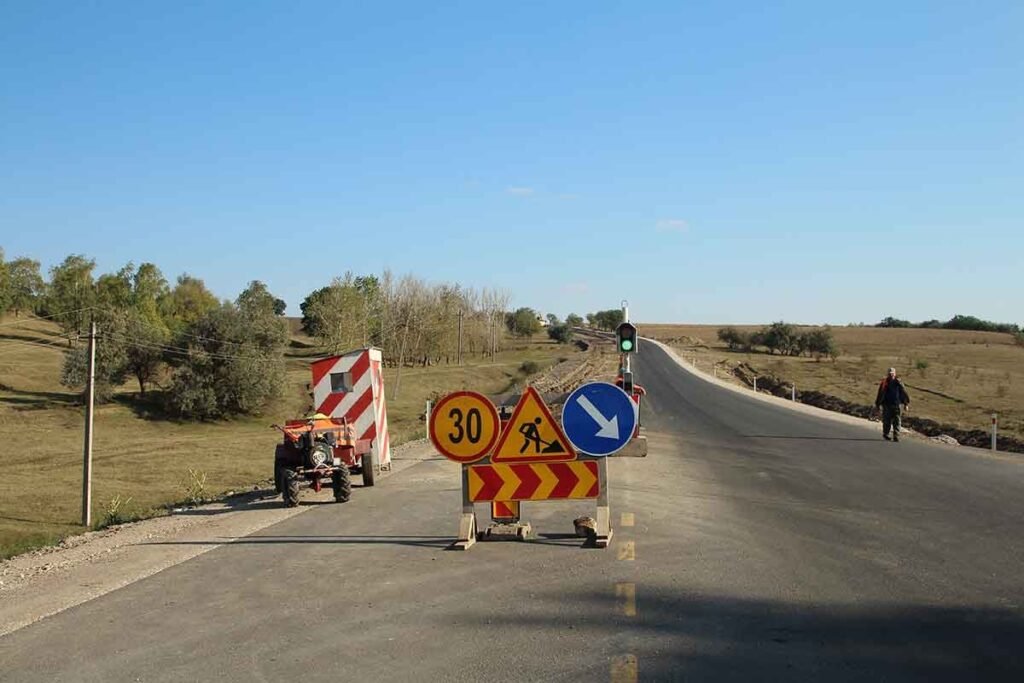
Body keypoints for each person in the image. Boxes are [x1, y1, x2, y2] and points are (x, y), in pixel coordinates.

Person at [875, 367, 910, 442]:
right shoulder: (884, 383)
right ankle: (886, 434)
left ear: (895, 374)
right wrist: (878, 404)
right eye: (890, 374)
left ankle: (896, 436)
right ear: (888, 374)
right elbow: (880, 394)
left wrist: (906, 404)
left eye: (892, 374)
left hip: (897, 404)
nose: (891, 375)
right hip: (887, 404)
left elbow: (903, 393)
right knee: (887, 420)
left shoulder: (899, 382)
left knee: (897, 421)